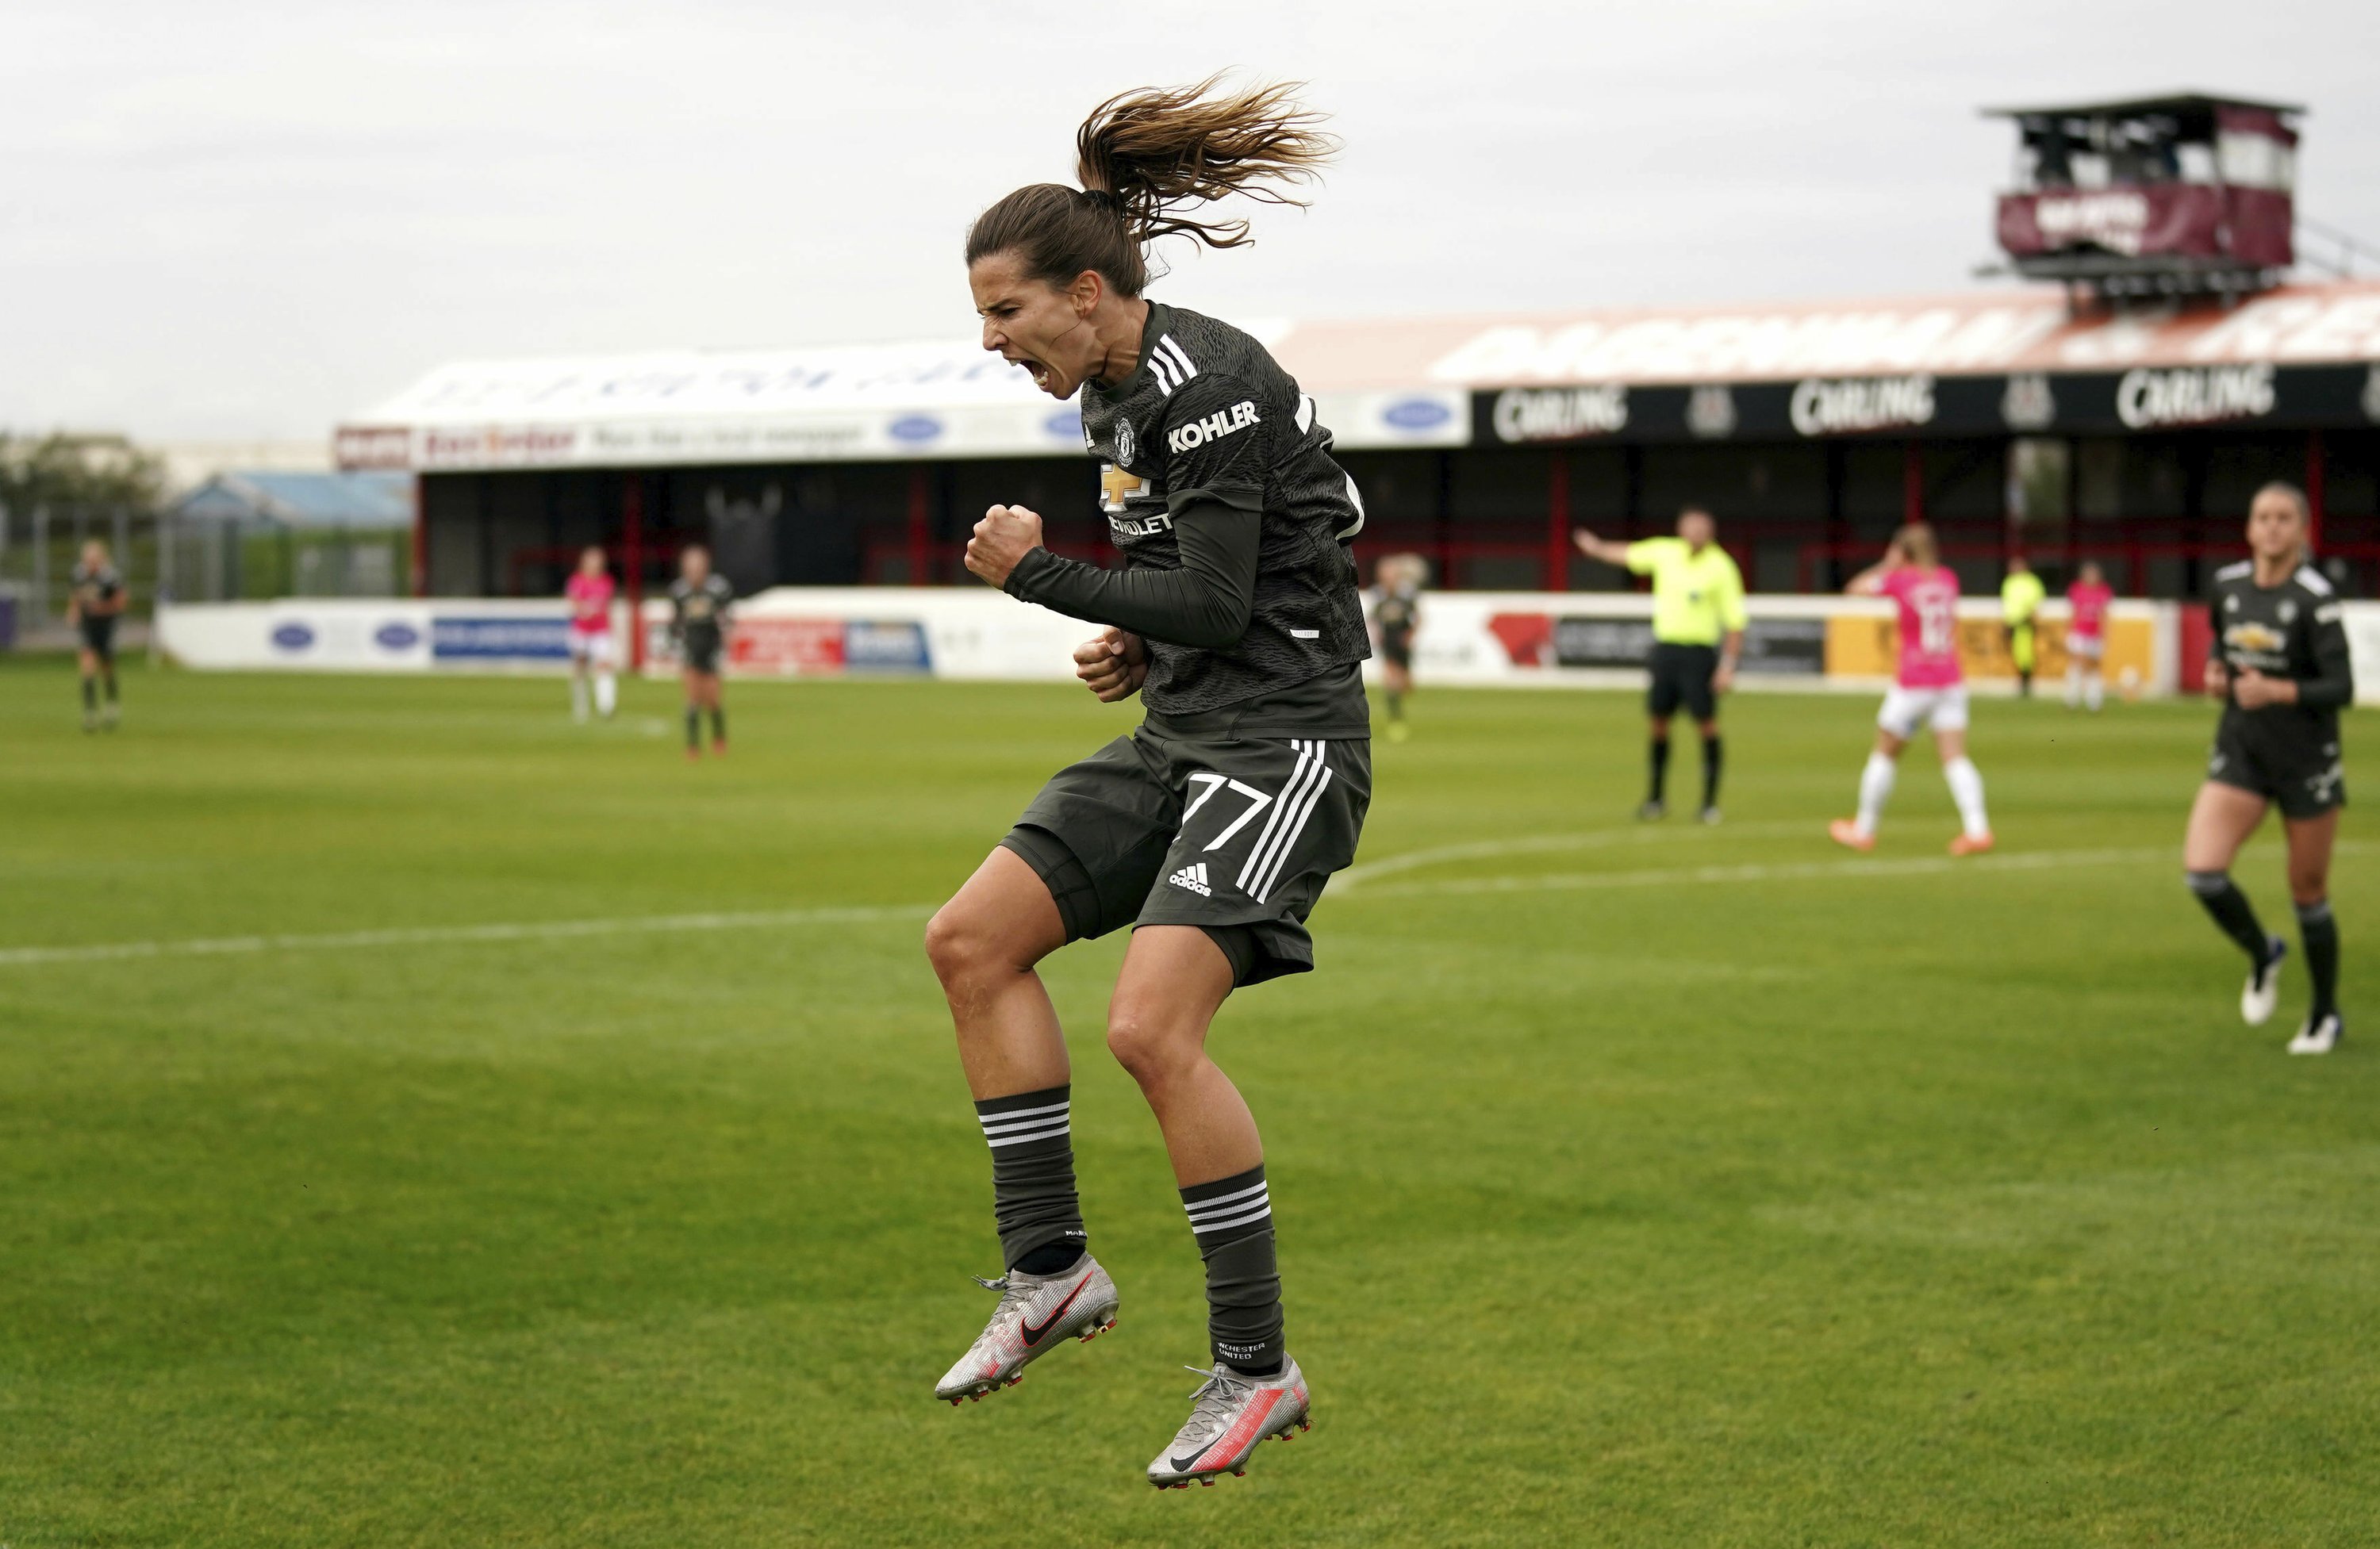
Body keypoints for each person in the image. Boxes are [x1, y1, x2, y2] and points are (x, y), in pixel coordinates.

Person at [925, 78, 1362, 1489]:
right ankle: (1049, 1270)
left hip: (1281, 741)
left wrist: (1043, 579)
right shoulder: (1113, 398)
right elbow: (1197, 586)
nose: (991, 340)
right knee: (971, 941)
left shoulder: (1210, 384)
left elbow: (1231, 604)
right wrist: (1130, 629)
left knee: (1149, 1028)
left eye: (1006, 312)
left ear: (1091, 292)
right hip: (1185, 730)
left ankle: (1257, 1364)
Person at [2184, 482, 2352, 1055]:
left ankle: (2324, 1014)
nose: (2273, 527)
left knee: (2309, 892)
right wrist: (2214, 670)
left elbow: (2342, 687)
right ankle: (2263, 952)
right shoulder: (2228, 587)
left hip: (2305, 760)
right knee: (2203, 872)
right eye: (2263, 517)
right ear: (2251, 528)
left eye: (2285, 518)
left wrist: (2277, 689)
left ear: (2303, 529)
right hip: (2242, 750)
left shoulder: (2315, 598)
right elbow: (2220, 644)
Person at [1573, 507, 1747, 823]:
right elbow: (1628, 554)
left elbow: (1735, 622)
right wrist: (1597, 548)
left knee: (1706, 725)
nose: (1694, 533)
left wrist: (1727, 666)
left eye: (1701, 528)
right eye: (1690, 527)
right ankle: (1656, 798)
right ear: (1681, 529)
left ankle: (1709, 803)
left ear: (1711, 532)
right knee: (1658, 723)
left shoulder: (1721, 567)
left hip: (1699, 653)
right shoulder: (1666, 553)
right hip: (1666, 651)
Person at [1829, 523, 1994, 855]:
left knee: (1885, 752)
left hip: (1915, 680)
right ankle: (1977, 829)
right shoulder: (1948, 580)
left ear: (1902, 552)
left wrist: (1887, 565)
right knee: (1955, 757)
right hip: (1949, 678)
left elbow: (1855, 588)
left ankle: (1864, 828)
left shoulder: (1900, 580)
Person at [667, 546, 732, 758]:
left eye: (698, 566)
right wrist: (674, 641)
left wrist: (726, 637)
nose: (694, 571)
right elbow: (674, 623)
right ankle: (693, 746)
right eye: (690, 567)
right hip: (690, 647)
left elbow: (727, 619)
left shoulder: (718, 589)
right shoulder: (679, 592)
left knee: (713, 698)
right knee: (692, 698)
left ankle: (719, 739)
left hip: (711, 647)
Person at [67, 539, 126, 732]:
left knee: (107, 668)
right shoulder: (79, 574)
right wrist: (74, 611)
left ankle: (111, 706)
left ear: (101, 559)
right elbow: (76, 596)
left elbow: (121, 602)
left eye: (94, 559)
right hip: (88, 627)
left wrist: (103, 608)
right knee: (87, 668)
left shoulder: (110, 577)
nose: (90, 563)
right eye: (88, 559)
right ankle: (90, 714)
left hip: (106, 626)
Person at [1370, 553, 1425, 742]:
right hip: (1388, 643)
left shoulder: (1405, 595)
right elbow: (1374, 618)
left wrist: (1410, 636)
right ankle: (1396, 721)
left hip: (1402, 642)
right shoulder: (1379, 595)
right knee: (1390, 680)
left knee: (1406, 685)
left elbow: (1417, 618)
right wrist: (1377, 635)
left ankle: (1399, 701)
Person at [564, 546, 619, 723]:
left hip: (600, 630)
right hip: (581, 630)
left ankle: (606, 706)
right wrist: (583, 609)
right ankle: (581, 705)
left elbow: (607, 605)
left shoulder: (607, 581)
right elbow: (572, 604)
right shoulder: (576, 581)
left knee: (604, 666)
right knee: (580, 668)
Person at [2064, 559, 2113, 713]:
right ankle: (2071, 699)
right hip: (2079, 634)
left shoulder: (2104, 591)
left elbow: (2105, 615)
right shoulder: (2076, 589)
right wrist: (2067, 633)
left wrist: (2107, 635)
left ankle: (2094, 702)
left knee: (2093, 669)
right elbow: (2072, 613)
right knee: (2077, 666)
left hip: (2095, 636)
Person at [2002, 554, 2044, 698]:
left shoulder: (2031, 582)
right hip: (2012, 622)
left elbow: (2035, 603)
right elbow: (2007, 605)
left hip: (2025, 622)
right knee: (2016, 653)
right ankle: (2021, 681)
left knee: (2025, 654)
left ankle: (2026, 683)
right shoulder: (2009, 582)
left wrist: (2031, 618)